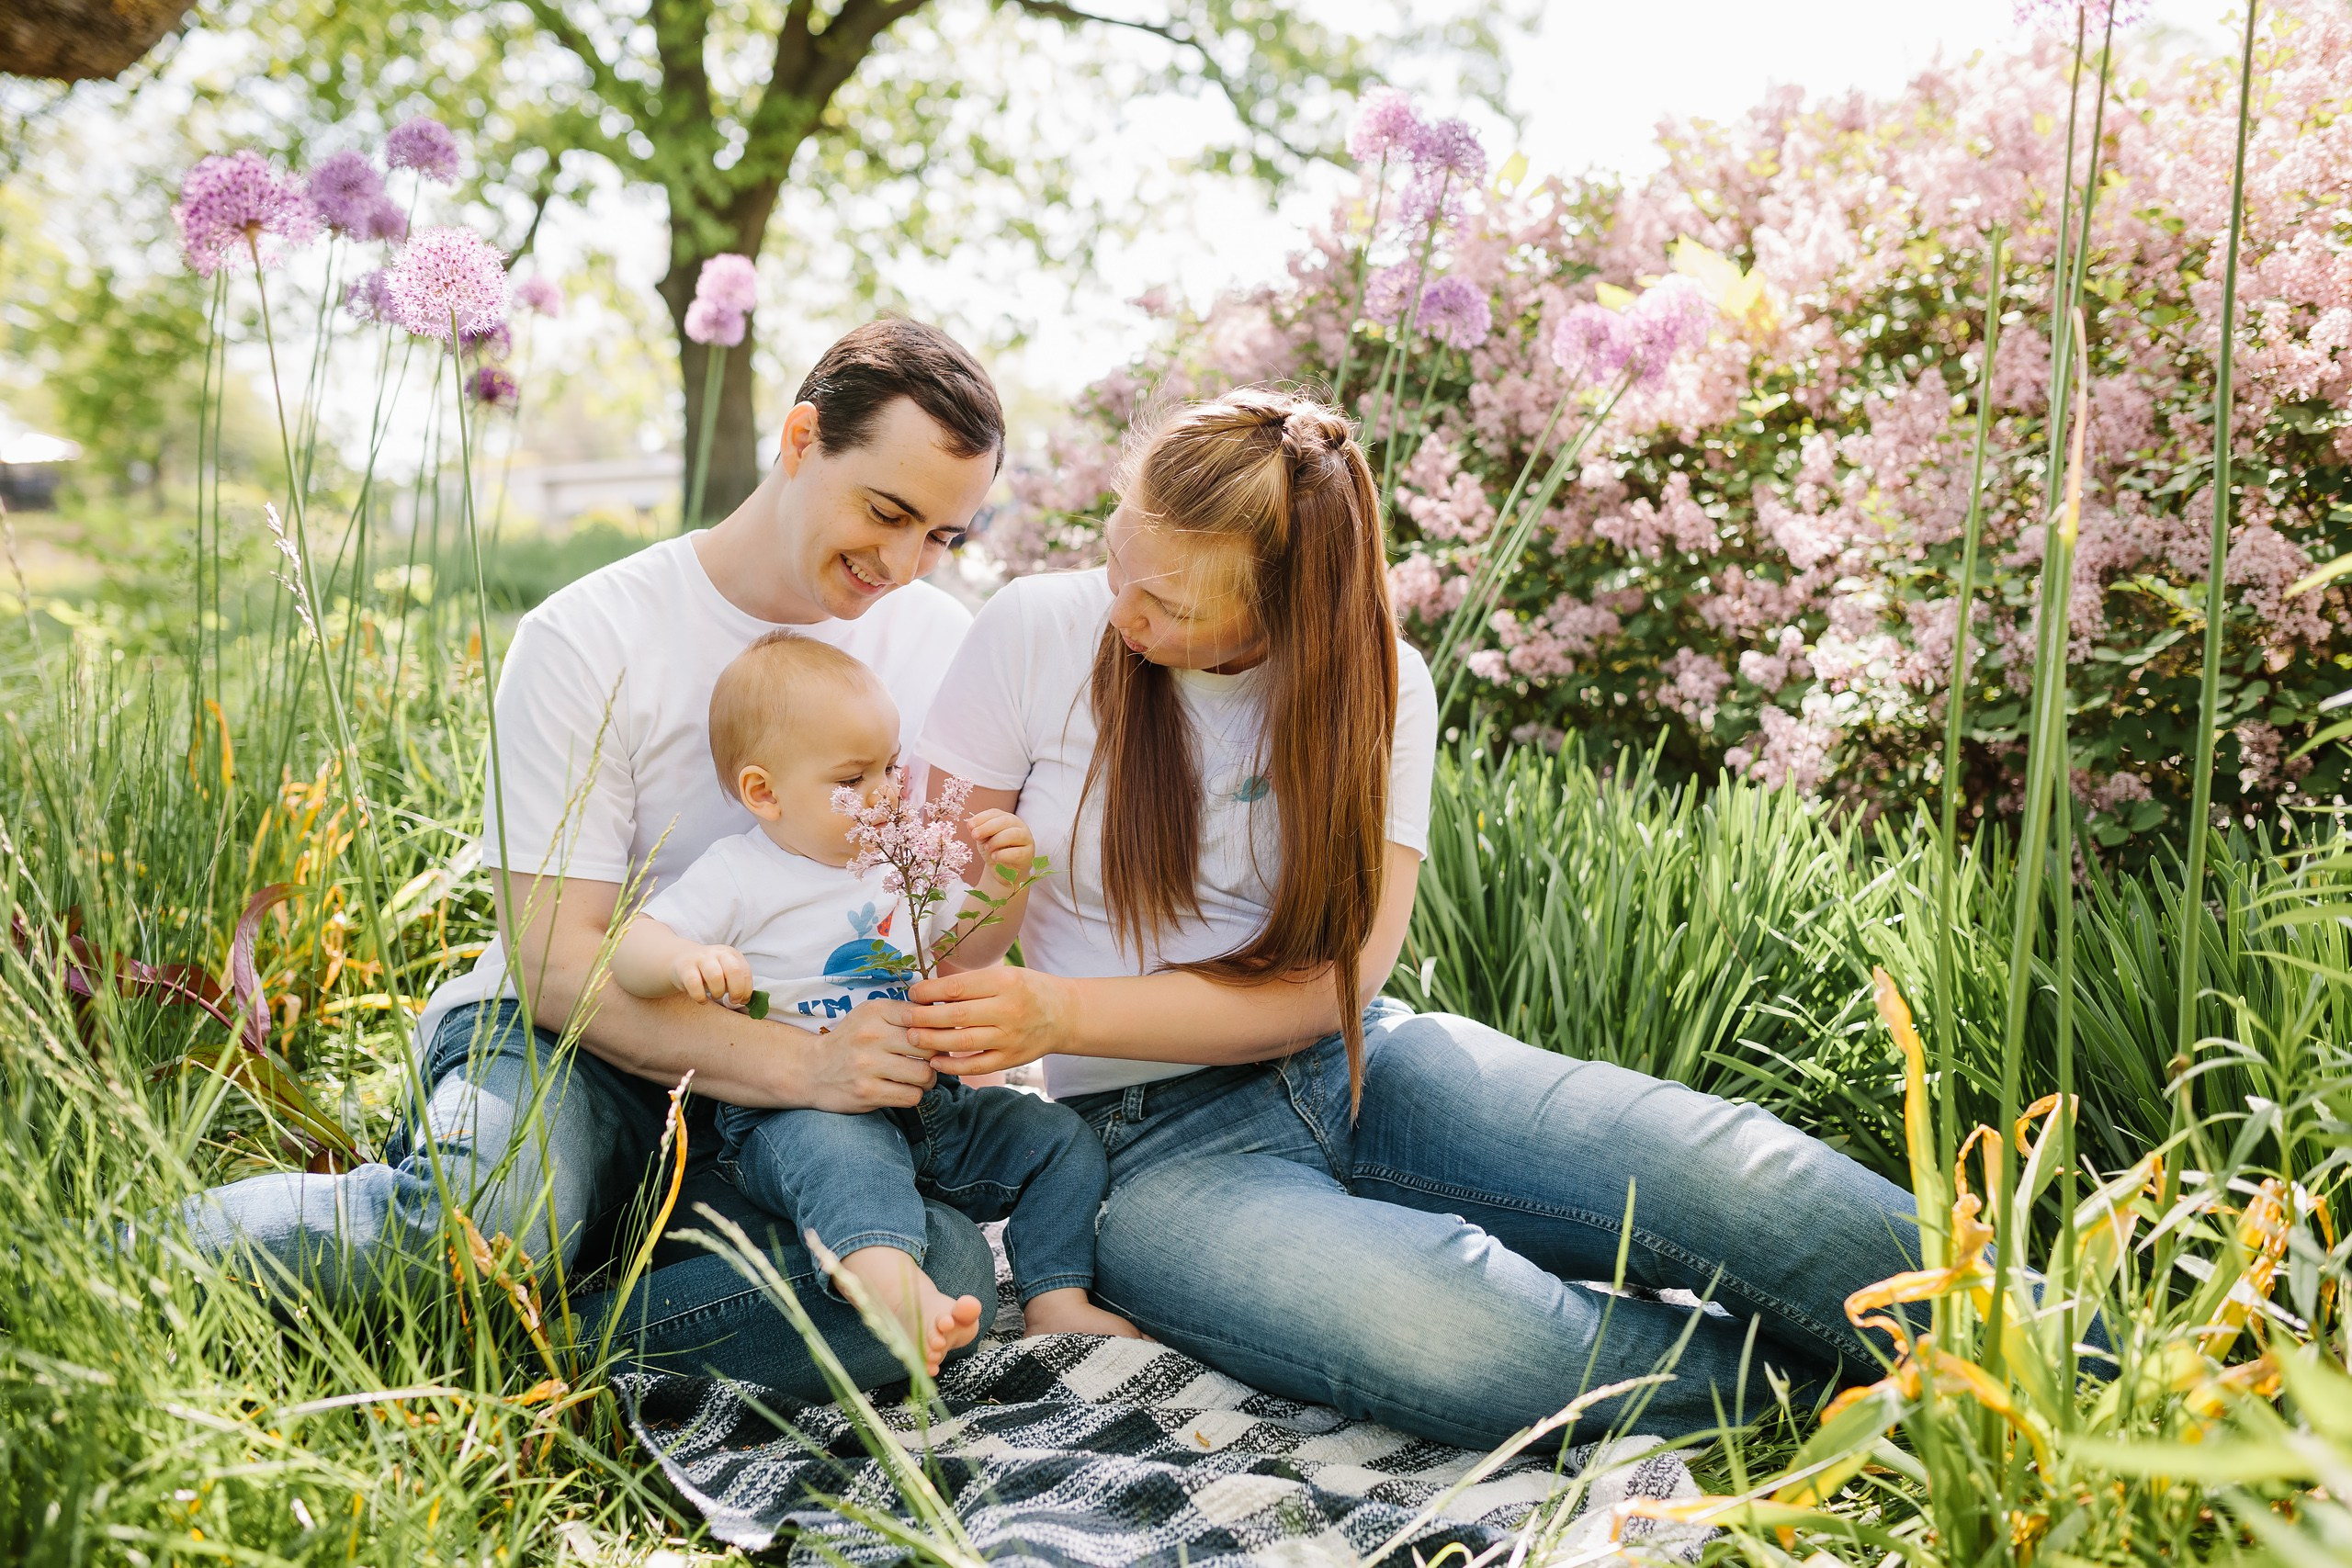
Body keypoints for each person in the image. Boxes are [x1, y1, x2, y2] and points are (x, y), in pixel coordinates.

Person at [902, 386, 1927, 1449]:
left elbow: (1335, 986)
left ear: (1280, 612)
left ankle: (2060, 1349)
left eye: (1172, 607)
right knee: (1460, 1330)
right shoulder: (1032, 632)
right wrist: (990, 892)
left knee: (1716, 1168)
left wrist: (1062, 1011)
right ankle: (1860, 1396)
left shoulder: (1379, 688)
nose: (1124, 612)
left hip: (1356, 1065)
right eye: (1120, 561)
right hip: (1148, 1156)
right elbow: (937, 949)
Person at [180, 318, 1006, 1395]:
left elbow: (941, 922)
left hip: (788, 1118)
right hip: (572, 1042)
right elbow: (554, 961)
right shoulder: (593, 636)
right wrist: (806, 1067)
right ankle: (123, 1260)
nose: (902, 565)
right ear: (801, 438)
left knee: (925, 1278)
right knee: (491, 1223)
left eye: (943, 536)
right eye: (887, 511)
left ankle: (543, 1342)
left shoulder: (939, 645)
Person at [609, 629, 1139, 1370]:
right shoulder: (741, 874)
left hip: (934, 1108)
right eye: (854, 779)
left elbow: (972, 946)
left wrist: (1003, 883)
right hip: (800, 1116)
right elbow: (629, 949)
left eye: (891, 766)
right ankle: (887, 1281)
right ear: (765, 792)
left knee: (1061, 1141)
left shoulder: (905, 860)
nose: (885, 793)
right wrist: (688, 960)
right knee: (848, 1162)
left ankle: (1054, 1298)